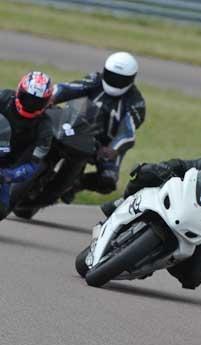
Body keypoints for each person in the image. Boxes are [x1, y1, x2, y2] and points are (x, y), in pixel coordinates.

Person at [101, 145, 201, 289]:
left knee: (194, 279)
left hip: (199, 230)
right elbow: (183, 165)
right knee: (147, 171)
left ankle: (154, 261)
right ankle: (124, 201)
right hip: (179, 202)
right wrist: (166, 167)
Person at [51, 51, 145, 197]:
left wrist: (113, 148)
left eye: (120, 79)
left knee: (108, 181)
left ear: (131, 79)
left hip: (106, 145)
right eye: (112, 76)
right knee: (47, 137)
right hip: (77, 129)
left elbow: (128, 132)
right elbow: (69, 88)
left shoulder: (136, 102)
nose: (115, 81)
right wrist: (49, 99)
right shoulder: (95, 79)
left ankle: (77, 184)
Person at [0, 71, 54, 220]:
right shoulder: (3, 97)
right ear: (19, 92)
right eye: (28, 98)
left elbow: (33, 164)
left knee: (1, 210)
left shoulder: (45, 126)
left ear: (46, 102)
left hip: (5, 167)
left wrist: (10, 175)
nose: (31, 104)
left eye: (37, 101)